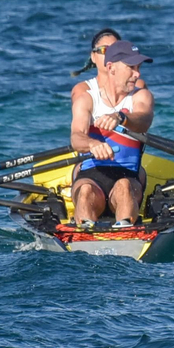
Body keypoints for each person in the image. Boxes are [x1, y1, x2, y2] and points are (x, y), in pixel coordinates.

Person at [68, 29, 155, 229]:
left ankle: (125, 237)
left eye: (139, 67)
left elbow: (144, 120)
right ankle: (84, 238)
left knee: (124, 188)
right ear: (111, 67)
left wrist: (121, 118)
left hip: (127, 176)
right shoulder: (87, 98)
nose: (138, 73)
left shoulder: (141, 96)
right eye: (131, 67)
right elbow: (76, 137)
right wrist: (91, 143)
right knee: (86, 192)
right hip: (91, 174)